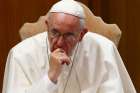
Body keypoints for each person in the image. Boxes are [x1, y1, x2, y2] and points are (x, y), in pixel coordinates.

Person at [2, 0, 136, 93]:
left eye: (68, 35)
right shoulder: (20, 54)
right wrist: (50, 78)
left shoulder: (104, 50)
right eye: (54, 32)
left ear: (82, 34)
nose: (59, 42)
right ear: (47, 25)